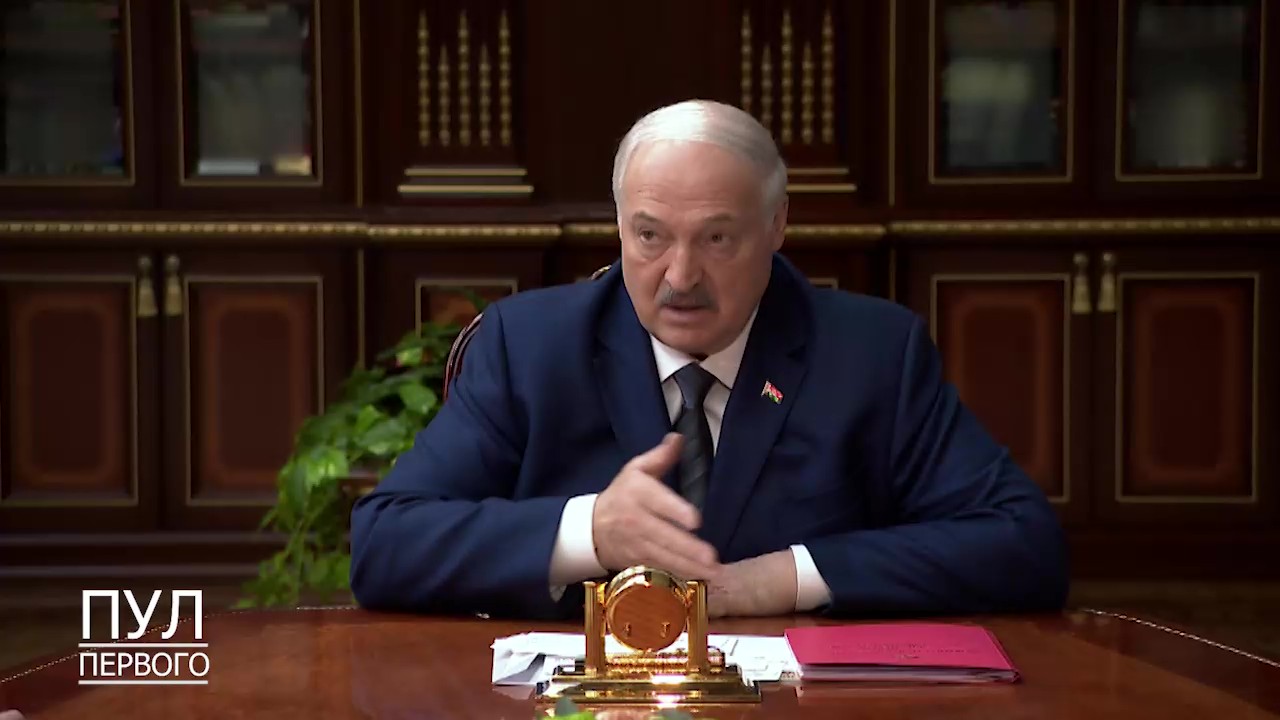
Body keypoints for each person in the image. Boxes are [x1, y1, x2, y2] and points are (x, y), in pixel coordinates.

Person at [349, 99, 1069, 620]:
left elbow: (1023, 545)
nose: (680, 275)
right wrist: (591, 531)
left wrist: (785, 578)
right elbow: (384, 544)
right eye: (650, 236)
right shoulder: (530, 346)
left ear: (777, 225)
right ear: (620, 227)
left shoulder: (872, 355)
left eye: (717, 239)